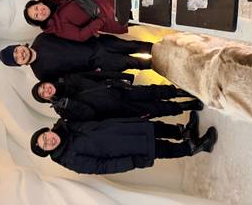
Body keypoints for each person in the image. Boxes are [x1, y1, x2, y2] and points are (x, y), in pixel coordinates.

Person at [30, 117, 218, 175]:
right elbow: (100, 167)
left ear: (47, 130)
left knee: (156, 128)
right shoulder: (69, 159)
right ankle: (195, 147)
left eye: (45, 136)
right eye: (45, 145)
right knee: (161, 149)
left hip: (124, 128)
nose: (49, 140)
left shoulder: (66, 125)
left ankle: (185, 133)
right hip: (126, 149)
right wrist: (130, 162)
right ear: (48, 151)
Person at [31, 71, 204, 121]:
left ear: (47, 83)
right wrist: (70, 105)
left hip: (117, 90)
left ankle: (182, 93)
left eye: (43, 87)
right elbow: (90, 115)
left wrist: (121, 77)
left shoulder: (69, 78)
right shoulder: (63, 112)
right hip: (119, 109)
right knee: (155, 109)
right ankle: (186, 106)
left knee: (152, 91)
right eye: (43, 94)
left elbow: (96, 75)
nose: (46, 90)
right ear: (46, 99)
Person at [0, 33, 152, 80]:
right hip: (99, 64)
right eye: (17, 58)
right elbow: (70, 79)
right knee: (135, 63)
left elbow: (69, 31)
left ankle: (164, 49)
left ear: (19, 45)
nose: (20, 54)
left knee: (135, 45)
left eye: (16, 51)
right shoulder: (41, 74)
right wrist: (97, 75)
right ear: (19, 64)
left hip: (99, 43)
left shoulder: (42, 38)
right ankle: (163, 66)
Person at [23, 0, 126, 42]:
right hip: (109, 17)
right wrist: (100, 21)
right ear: (40, 22)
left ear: (39, 3)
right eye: (37, 16)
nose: (40, 12)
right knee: (138, 15)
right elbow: (80, 36)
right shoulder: (57, 27)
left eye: (36, 8)